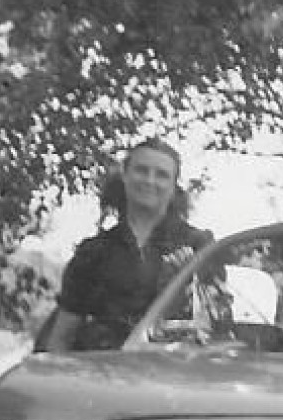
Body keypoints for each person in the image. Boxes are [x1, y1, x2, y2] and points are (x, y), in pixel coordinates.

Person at [41, 138, 213, 352]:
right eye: (142, 170)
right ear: (125, 175)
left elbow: (214, 326)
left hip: (172, 375)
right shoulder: (93, 252)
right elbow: (62, 337)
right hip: (103, 374)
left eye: (161, 175)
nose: (150, 181)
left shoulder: (200, 246)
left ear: (173, 186)